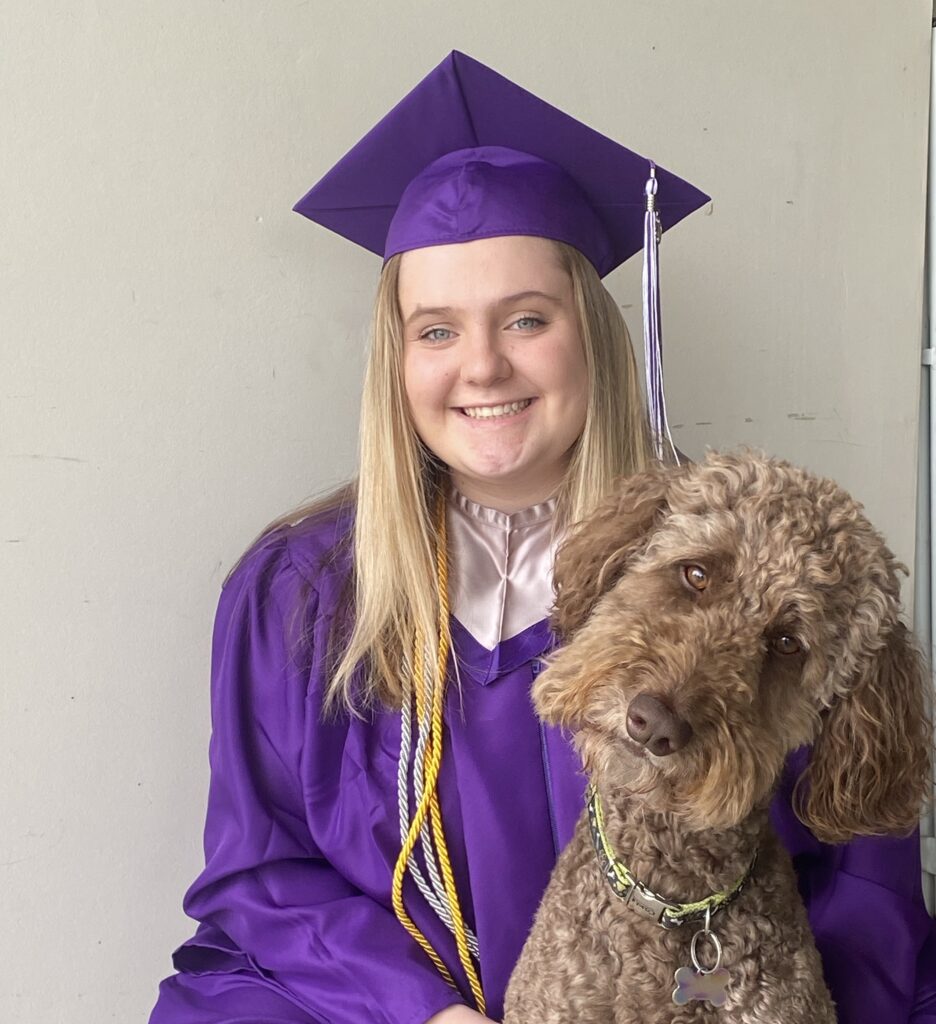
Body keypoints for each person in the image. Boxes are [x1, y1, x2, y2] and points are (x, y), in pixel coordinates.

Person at [148, 51, 936, 1024]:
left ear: (592, 333)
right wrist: (425, 1015)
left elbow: (865, 887)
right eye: (436, 330)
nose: (482, 365)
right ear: (395, 358)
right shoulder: (300, 589)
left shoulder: (740, 567)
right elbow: (262, 878)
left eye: (526, 318)